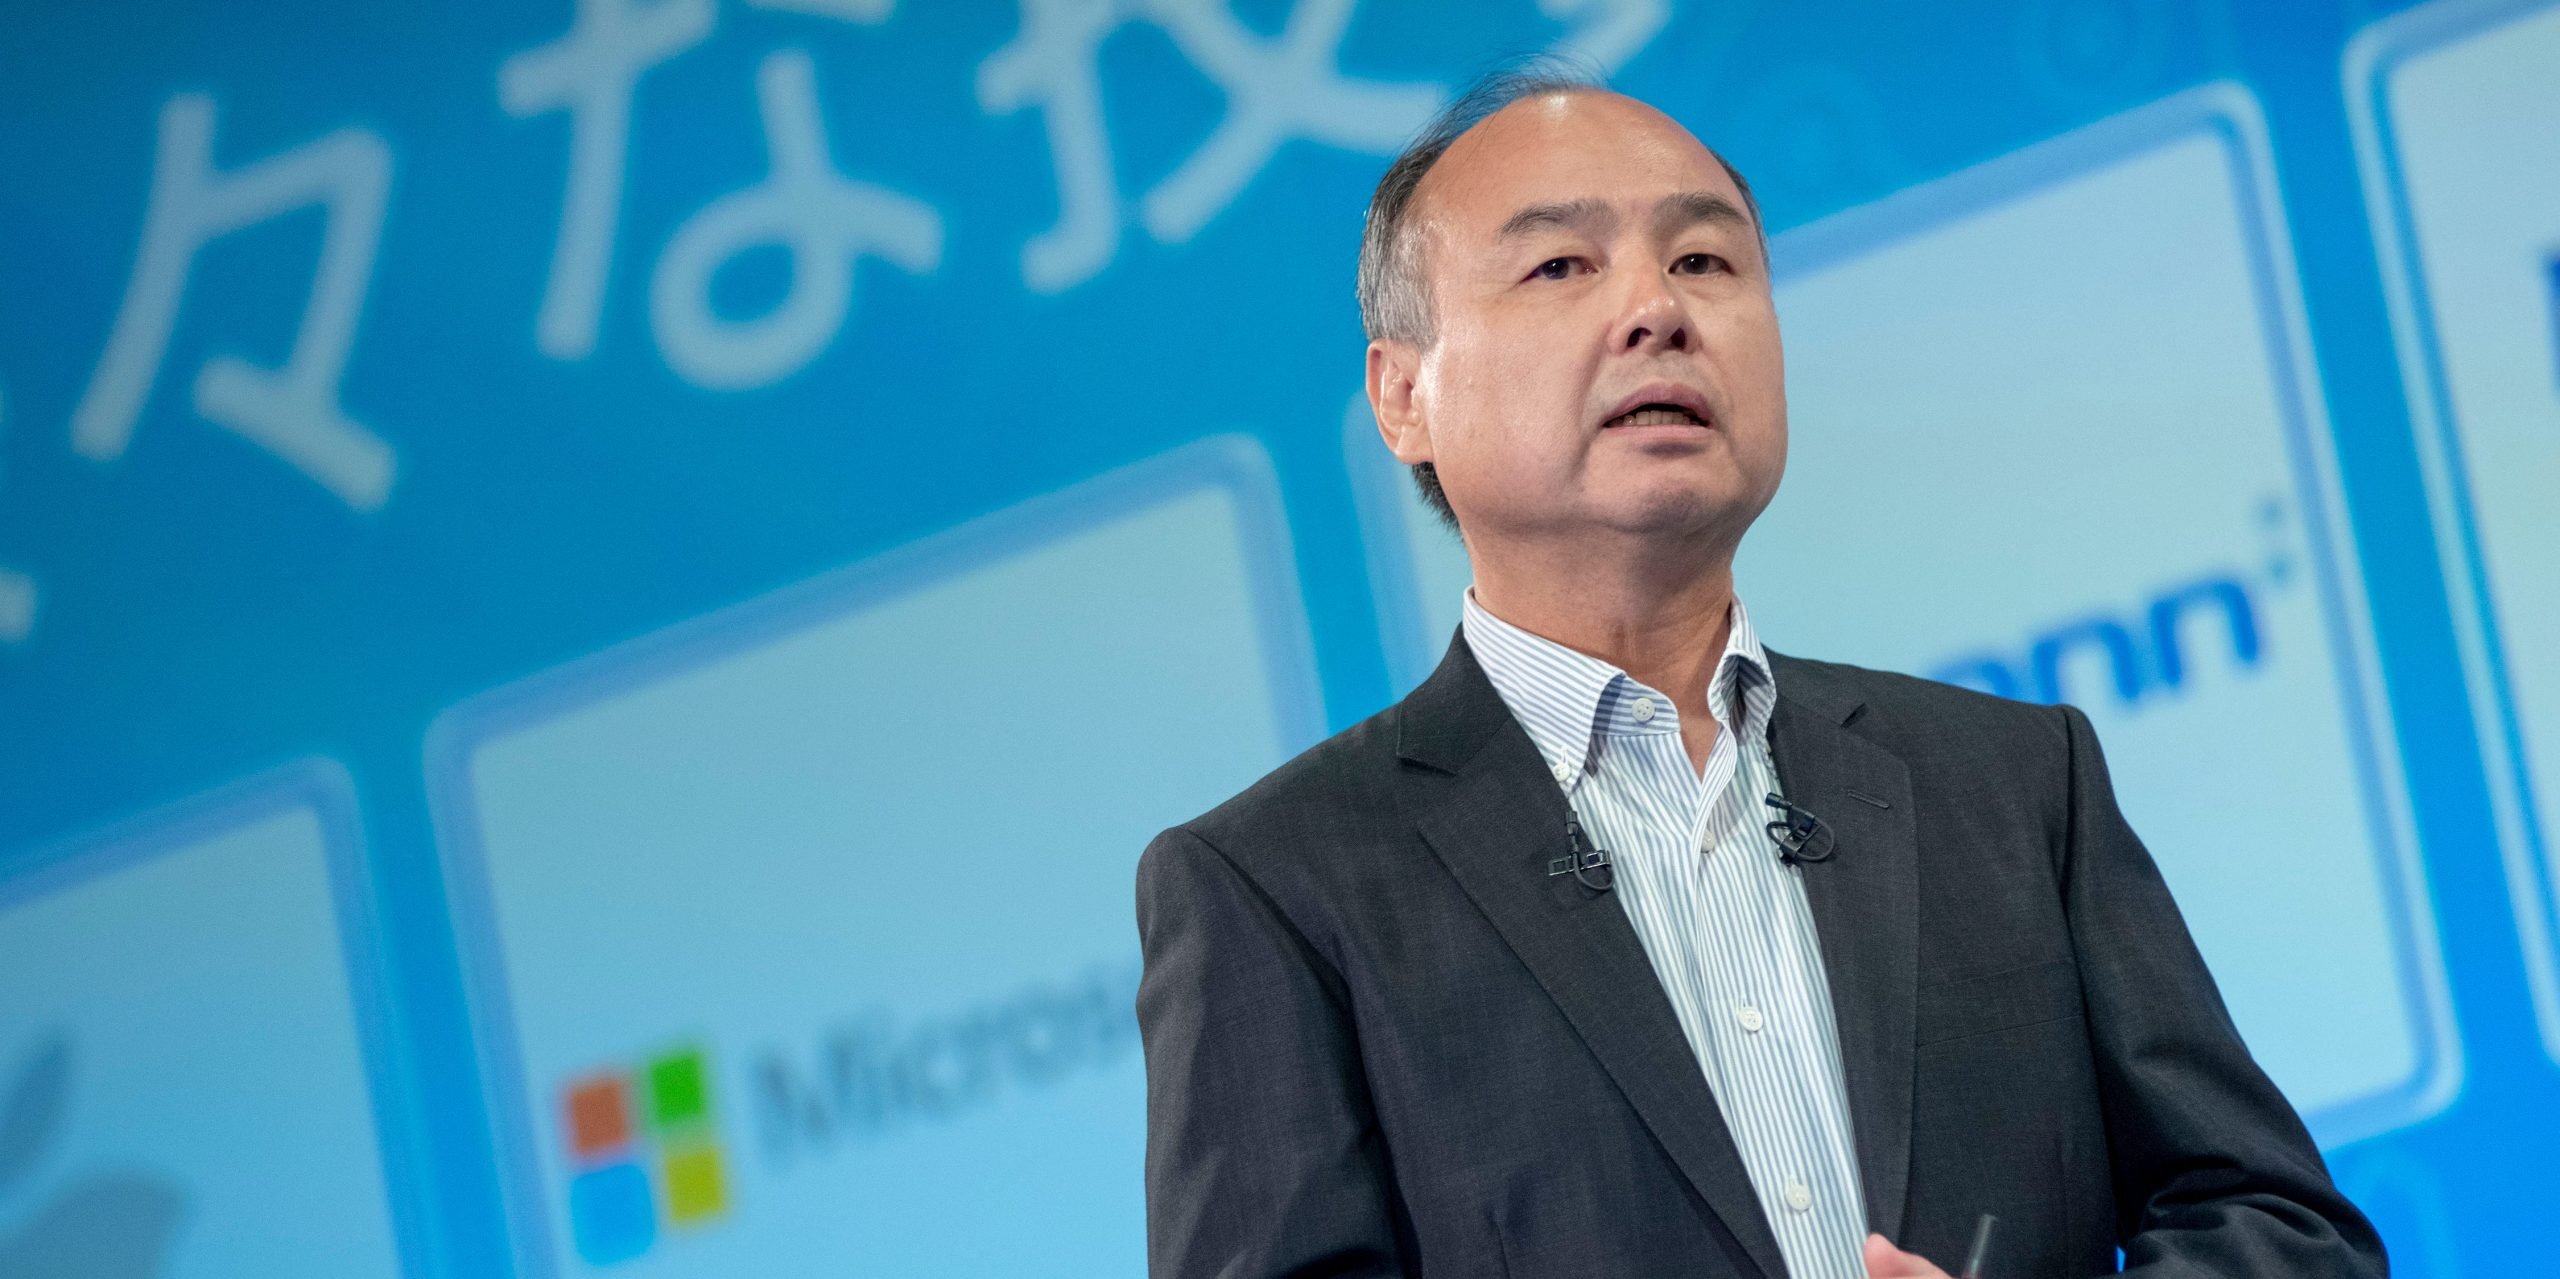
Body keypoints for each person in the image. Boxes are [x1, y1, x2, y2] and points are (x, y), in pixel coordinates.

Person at [1133, 65, 2385, 1279]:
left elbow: (2280, 1229)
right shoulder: (1276, 887)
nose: (1655, 309)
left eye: (1703, 259)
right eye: (1561, 264)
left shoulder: (2012, 784)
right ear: (1403, 396)